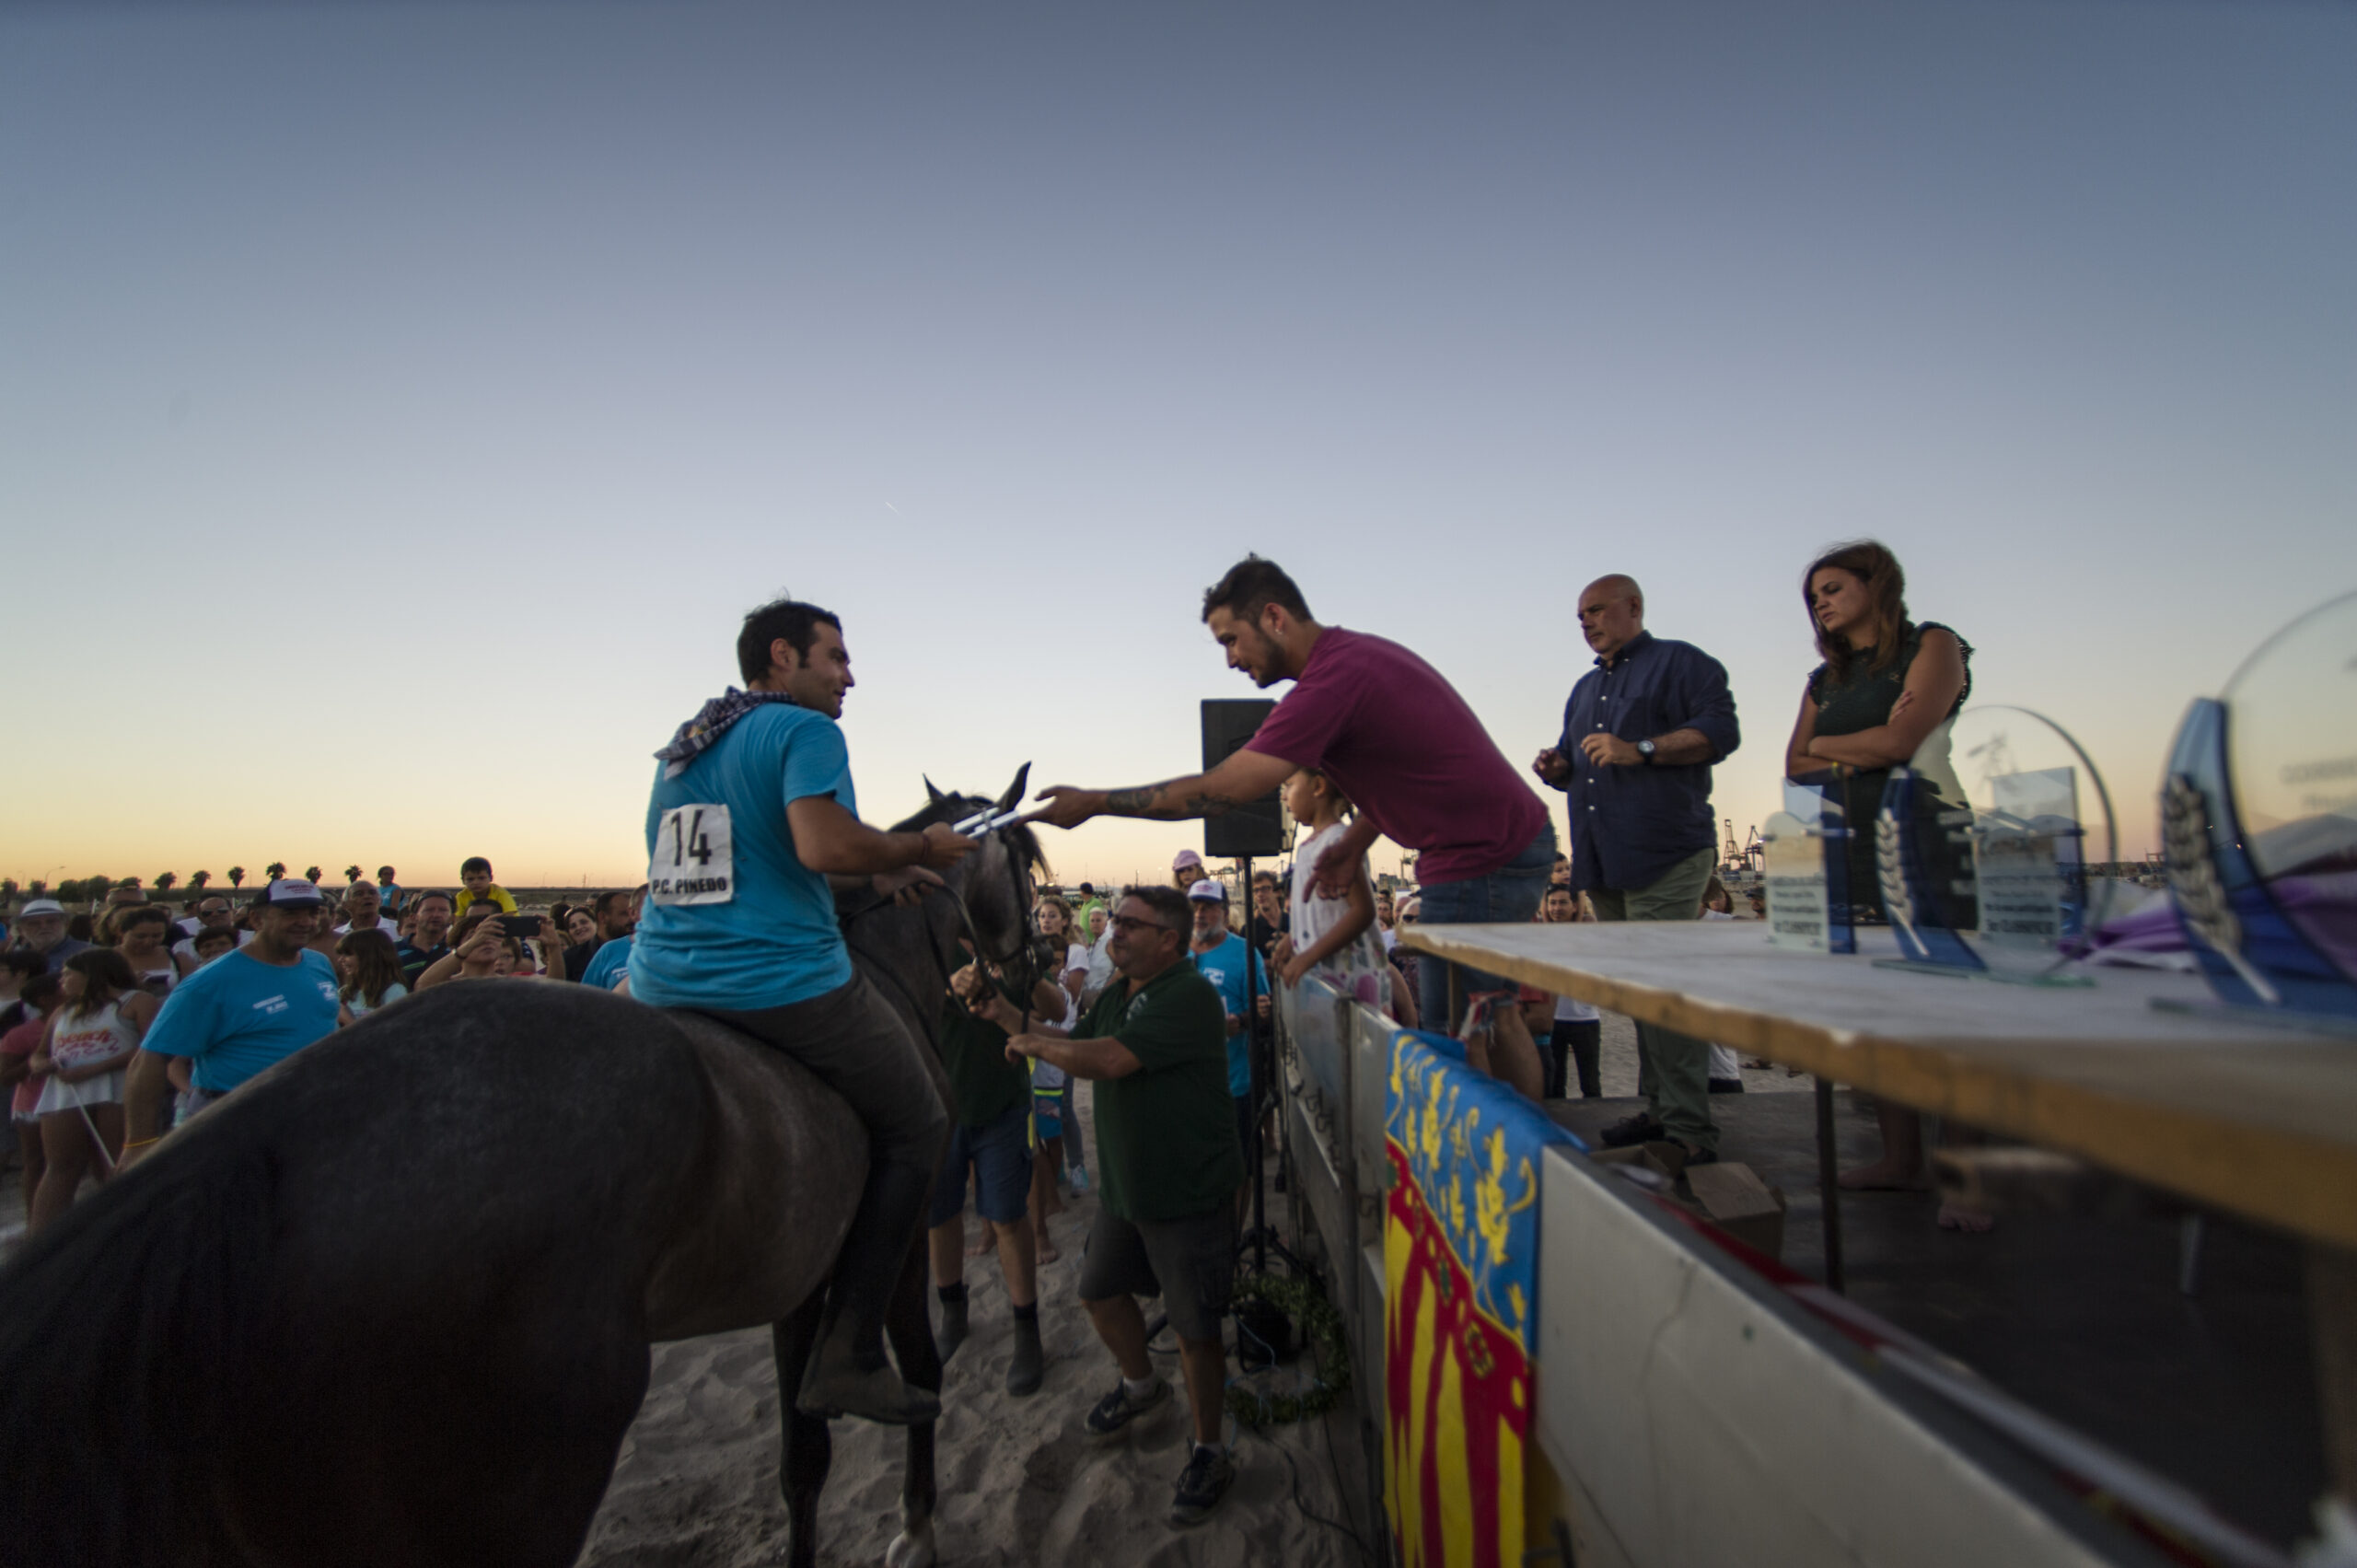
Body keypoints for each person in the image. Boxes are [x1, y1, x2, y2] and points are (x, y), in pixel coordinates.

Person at [627, 594, 973, 1424]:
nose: (850, 676)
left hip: (659, 980)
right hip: (777, 981)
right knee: (923, 1123)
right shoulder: (806, 731)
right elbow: (824, 845)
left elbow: (763, 858)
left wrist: (874, 875)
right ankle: (853, 1345)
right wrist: (918, 846)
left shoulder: (686, 744)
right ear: (783, 656)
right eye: (837, 657)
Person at [1036, 557, 1555, 1100]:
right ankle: (1527, 1156)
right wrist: (1354, 843)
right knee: (1490, 1015)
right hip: (1493, 844)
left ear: (1275, 617)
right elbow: (1410, 770)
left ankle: (1502, 1172)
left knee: (1467, 1033)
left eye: (1231, 639)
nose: (1231, 658)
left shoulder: (1331, 683)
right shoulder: (1351, 662)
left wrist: (1096, 801)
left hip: (1482, 855)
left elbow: (1223, 790)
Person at [999, 887, 1244, 1528]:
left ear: (1170, 938)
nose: (1116, 930)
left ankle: (1210, 1449)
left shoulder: (1188, 994)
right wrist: (998, 1010)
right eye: (1118, 920)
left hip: (1187, 1191)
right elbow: (1074, 1034)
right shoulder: (1119, 990)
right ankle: (1141, 1386)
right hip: (1127, 1191)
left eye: (1133, 923)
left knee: (1195, 1331)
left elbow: (1107, 1059)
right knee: (1098, 1293)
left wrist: (1035, 1047)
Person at [1781, 540, 1981, 1229]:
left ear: (1877, 584)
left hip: (1928, 832)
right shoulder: (1824, 679)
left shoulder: (1934, 645)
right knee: (1878, 1000)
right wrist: (1864, 747)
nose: (1822, 603)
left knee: (1946, 1008)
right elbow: (1793, 764)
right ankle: (1901, 1158)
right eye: (1813, 597)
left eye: (1833, 587)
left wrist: (1837, 750)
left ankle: (1965, 1177)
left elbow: (1904, 744)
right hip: (1848, 842)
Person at [1533, 574, 1740, 1163]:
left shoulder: (1682, 664)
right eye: (1580, 616)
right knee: (1645, 996)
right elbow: (1579, 763)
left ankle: (1690, 1132)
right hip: (1607, 857)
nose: (1587, 622)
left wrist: (1641, 748)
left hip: (1666, 851)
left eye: (1597, 610)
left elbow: (1721, 732)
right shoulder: (1582, 690)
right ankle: (1662, 1111)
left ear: (1634, 607)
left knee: (1665, 991)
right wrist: (1556, 766)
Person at [122, 878, 349, 1160]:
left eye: (312, 913)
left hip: (309, 1110)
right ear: (256, 918)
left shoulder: (319, 964)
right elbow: (149, 1061)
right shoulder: (210, 983)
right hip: (234, 1119)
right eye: (290, 913)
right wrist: (138, 1144)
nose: (305, 922)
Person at [932, 957, 1067, 1396]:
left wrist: (1026, 969)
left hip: (1002, 1105)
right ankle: (953, 1311)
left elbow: (1058, 1009)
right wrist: (948, 984)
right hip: (935, 1104)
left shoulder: (1006, 942)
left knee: (1010, 1217)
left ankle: (1026, 1330)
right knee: (941, 1215)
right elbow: (895, 1003)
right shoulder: (931, 934)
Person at [27, 948, 157, 1229]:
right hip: (65, 1092)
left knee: (115, 1164)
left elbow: (150, 1048)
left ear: (91, 974)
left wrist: (93, 1068)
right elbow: (38, 1054)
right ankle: (40, 1244)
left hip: (116, 1088)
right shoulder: (63, 1011)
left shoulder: (136, 1001)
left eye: (67, 974)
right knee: (60, 1165)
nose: (61, 980)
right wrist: (42, 1064)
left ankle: (124, 1231)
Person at [1184, 878, 1267, 1218]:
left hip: (1233, 1085)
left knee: (1237, 1171)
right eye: (1194, 907)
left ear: (1224, 910)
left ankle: (1231, 1245)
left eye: (1208, 907)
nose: (1200, 914)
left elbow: (1264, 1011)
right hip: (1183, 1086)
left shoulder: (1245, 954)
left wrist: (1240, 1023)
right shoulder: (1174, 950)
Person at [1, 971, 64, 1222]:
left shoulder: (81, 1021)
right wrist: (36, 1060)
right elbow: (4, 1077)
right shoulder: (22, 1034)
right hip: (33, 1104)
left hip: (72, 1101)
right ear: (45, 999)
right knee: (36, 1161)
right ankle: (35, 1220)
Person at [1538, 886, 1602, 1098]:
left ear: (1575, 906)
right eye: (1553, 903)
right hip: (1554, 1019)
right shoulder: (1543, 932)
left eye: (1563, 902)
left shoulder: (1585, 930)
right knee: (1556, 1084)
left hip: (1585, 1018)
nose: (1557, 908)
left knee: (1590, 1083)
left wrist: (1581, 892)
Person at [578, 887, 645, 991]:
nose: (661, 914)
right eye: (652, 909)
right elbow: (585, 999)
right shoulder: (609, 951)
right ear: (633, 913)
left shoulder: (678, 950)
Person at [335, 928, 410, 1016]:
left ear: (369, 956)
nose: (340, 960)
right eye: (341, 954)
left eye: (348, 954)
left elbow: (396, 1028)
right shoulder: (344, 993)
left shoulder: (394, 991)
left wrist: (348, 1020)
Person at [4, 899, 88, 976]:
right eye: (34, 923)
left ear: (66, 925)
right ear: (20, 930)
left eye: (51, 921)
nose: (43, 926)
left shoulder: (88, 954)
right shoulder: (13, 961)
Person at [171, 893, 250, 975]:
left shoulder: (253, 938)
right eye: (207, 912)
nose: (215, 914)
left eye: (222, 910)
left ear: (232, 912)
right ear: (200, 918)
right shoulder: (183, 946)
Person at [114, 906, 179, 1004]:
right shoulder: (105, 960)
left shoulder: (177, 957)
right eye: (140, 936)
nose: (148, 942)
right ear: (120, 932)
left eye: (156, 936)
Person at [395, 891, 456, 987]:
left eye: (443, 910)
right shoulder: (392, 951)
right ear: (414, 917)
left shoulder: (458, 950)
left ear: (452, 918)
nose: (436, 915)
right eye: (429, 910)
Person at [334, 879, 401, 946]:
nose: (367, 896)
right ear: (345, 905)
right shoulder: (337, 935)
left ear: (380, 901)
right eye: (359, 894)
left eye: (372, 893)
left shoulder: (398, 929)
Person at [452, 857, 519, 920]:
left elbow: (510, 917)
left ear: (491, 878)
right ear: (463, 881)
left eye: (481, 878)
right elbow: (459, 921)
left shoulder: (501, 894)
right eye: (470, 879)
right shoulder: (461, 897)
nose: (476, 882)